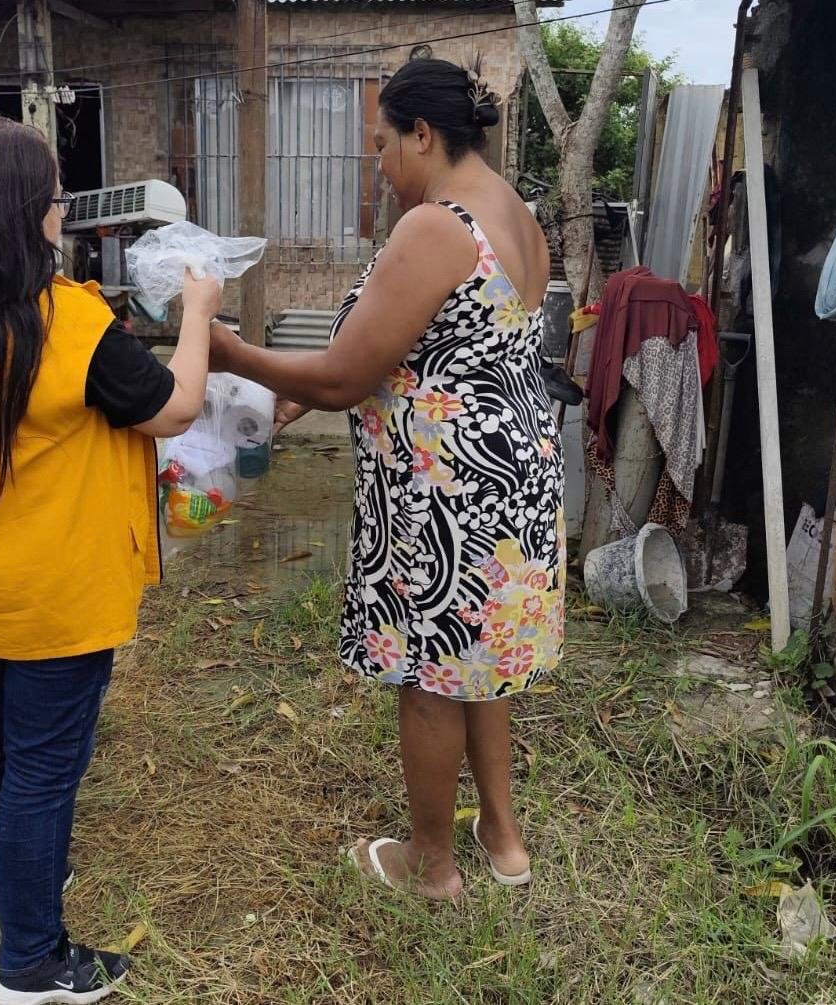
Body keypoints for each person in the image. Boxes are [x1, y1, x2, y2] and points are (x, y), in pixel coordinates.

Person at [0, 118, 221, 1003]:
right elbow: (172, 409)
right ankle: (32, 961)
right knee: (45, 764)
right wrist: (200, 312)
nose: (63, 213)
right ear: (22, 214)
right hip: (52, 587)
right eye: (56, 199)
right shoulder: (65, 321)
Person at [209, 58, 564, 900]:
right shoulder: (517, 214)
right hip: (513, 471)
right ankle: (502, 837)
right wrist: (305, 391)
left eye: (381, 145)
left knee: (433, 671)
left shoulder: (435, 226)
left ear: (423, 135)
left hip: (447, 490)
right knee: (482, 660)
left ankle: (432, 864)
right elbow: (434, 351)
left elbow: (342, 374)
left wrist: (225, 350)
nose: (377, 164)